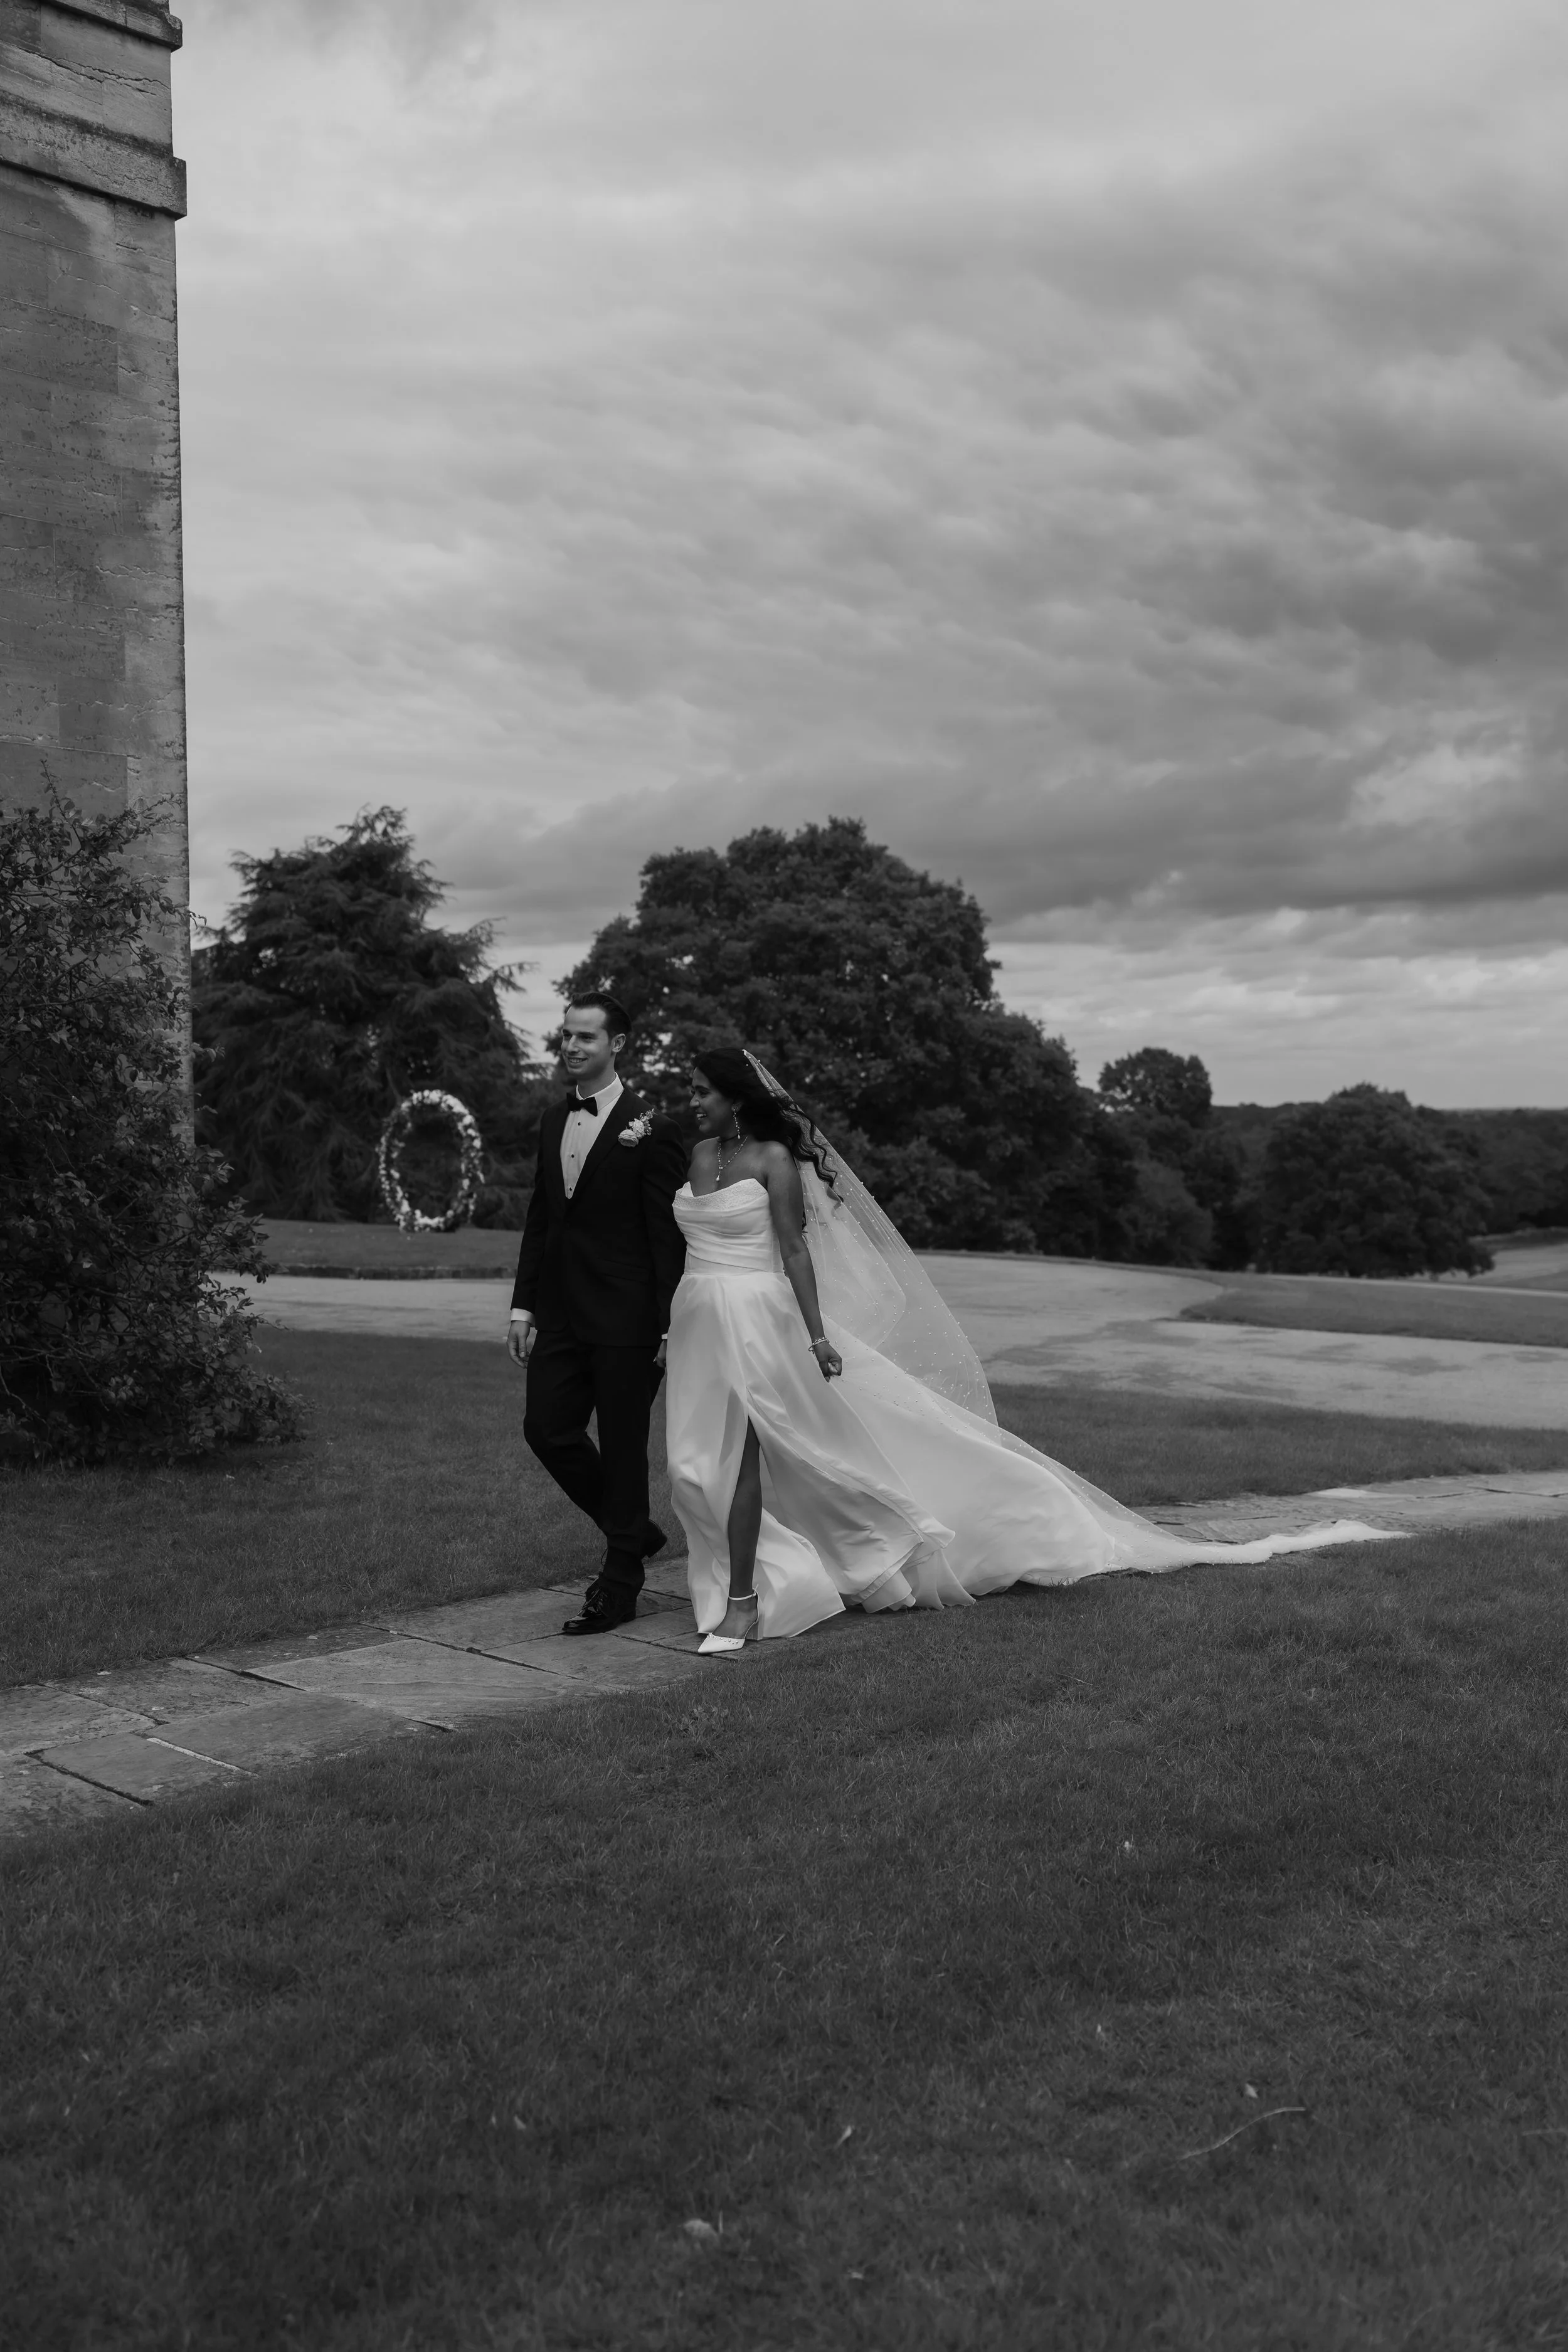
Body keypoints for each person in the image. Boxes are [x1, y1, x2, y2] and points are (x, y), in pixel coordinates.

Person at [666, 1047, 1396, 1656]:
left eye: (702, 1090)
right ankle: (753, 1577)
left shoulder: (772, 1161)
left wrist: (819, 1334)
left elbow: (795, 1249)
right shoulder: (699, 1155)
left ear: (737, 1099)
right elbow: (695, 1247)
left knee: (745, 1458)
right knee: (694, 1466)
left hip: (762, 1321)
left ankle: (744, 1601)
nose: (692, 1099)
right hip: (699, 1316)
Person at [507, 994, 686, 1634]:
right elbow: (542, 1217)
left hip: (629, 1319)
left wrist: (670, 1321)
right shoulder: (555, 1120)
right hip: (558, 1311)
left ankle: (619, 1586)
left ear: (618, 1046)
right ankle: (632, 1530)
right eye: (566, 1037)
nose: (572, 1047)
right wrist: (523, 1304)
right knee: (546, 1428)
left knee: (624, 1444)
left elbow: (666, 1235)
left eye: (586, 1037)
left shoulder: (653, 1128)